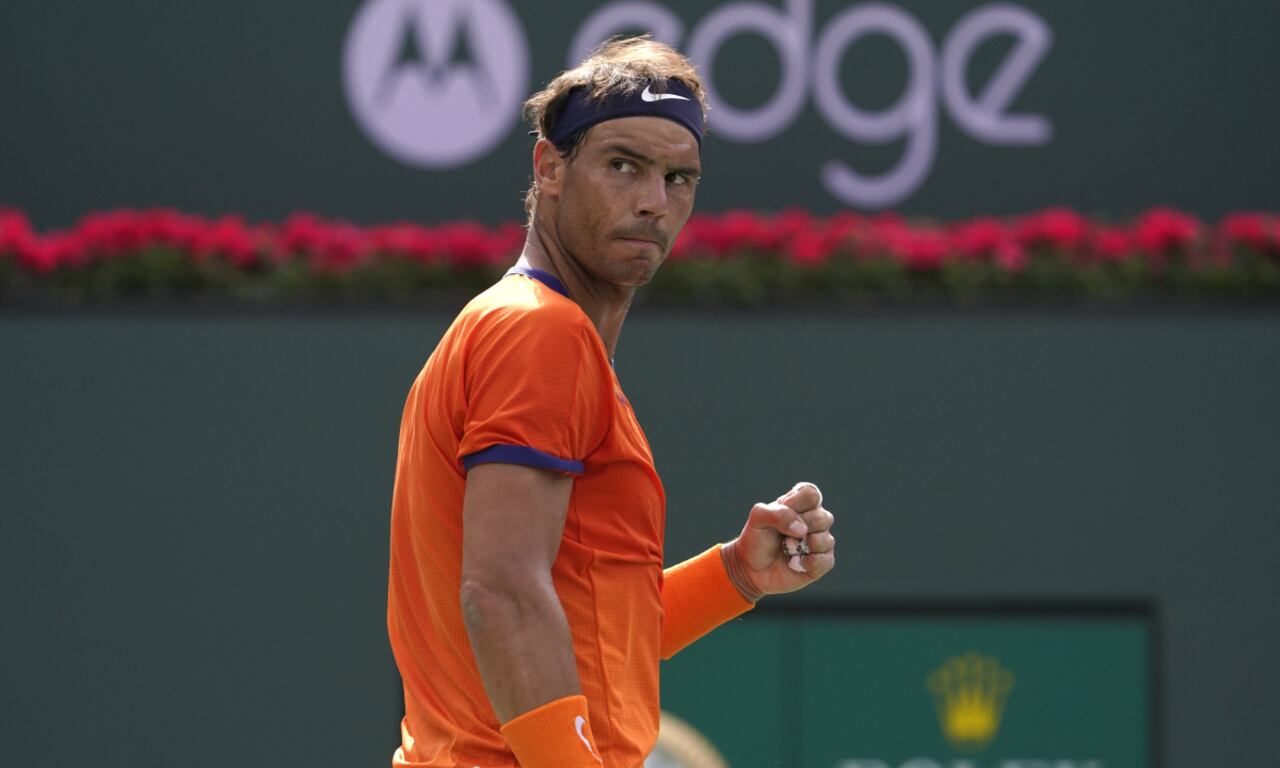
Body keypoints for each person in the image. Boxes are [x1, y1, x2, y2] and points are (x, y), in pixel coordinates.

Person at [386, 37, 836, 768]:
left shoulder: (530, 330)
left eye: (678, 177)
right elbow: (501, 593)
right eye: (623, 165)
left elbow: (590, 636)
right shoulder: (541, 334)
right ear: (549, 168)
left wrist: (737, 576)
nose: (654, 202)